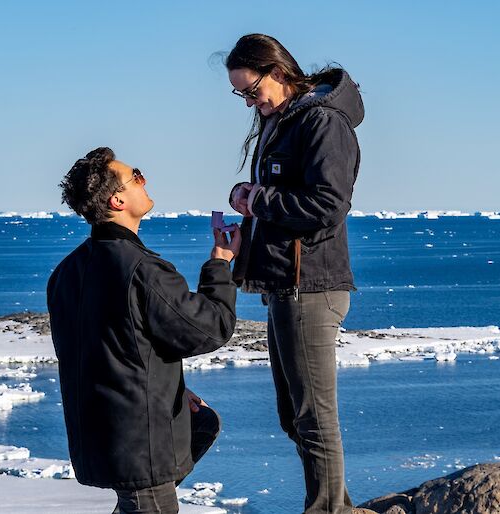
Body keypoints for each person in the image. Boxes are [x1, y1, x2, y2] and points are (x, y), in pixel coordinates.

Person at [47, 147, 241, 514]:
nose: (144, 179)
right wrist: (219, 264)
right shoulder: (142, 269)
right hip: (141, 446)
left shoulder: (65, 273)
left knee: (204, 423)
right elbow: (211, 328)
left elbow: (108, 352)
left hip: (101, 434)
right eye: (135, 175)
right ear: (117, 199)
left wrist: (168, 389)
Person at [224, 34, 372, 514]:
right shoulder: (284, 120)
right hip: (286, 284)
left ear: (279, 71)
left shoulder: (323, 122)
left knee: (313, 417)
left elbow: (328, 206)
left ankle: (328, 510)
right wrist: (248, 197)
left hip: (311, 285)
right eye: (240, 95)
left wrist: (258, 200)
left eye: (252, 90)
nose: (250, 101)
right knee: (296, 415)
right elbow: (288, 193)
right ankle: (337, 504)